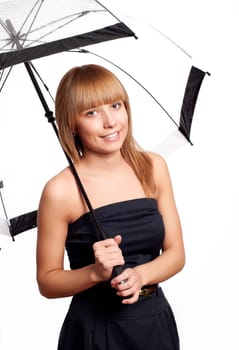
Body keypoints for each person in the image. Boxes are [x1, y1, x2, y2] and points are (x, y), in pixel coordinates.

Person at [36, 64, 185, 350]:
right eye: (91, 112)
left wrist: (142, 275)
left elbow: (176, 254)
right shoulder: (60, 190)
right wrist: (95, 273)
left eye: (116, 106)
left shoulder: (153, 167)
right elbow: (47, 281)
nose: (110, 121)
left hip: (154, 323)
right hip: (95, 330)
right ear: (71, 123)